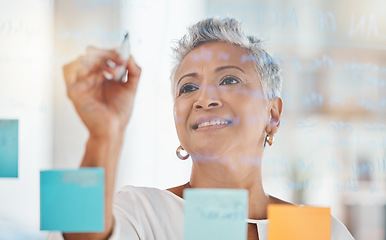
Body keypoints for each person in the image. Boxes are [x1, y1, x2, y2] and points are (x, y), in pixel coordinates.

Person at [51, 18, 354, 240]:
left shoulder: (320, 231)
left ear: (272, 114)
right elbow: (74, 234)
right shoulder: (144, 209)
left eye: (230, 80)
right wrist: (103, 136)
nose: (204, 99)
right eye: (189, 87)